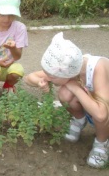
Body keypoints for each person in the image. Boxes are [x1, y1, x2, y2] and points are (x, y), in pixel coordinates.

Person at [24, 32, 109, 168]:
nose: (48, 77)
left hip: (104, 110)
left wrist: (76, 89)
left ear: (68, 73)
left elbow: (102, 113)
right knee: (64, 93)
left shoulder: (98, 68)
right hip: (94, 105)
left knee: (97, 112)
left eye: (52, 76)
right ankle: (80, 120)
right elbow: (29, 77)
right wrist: (40, 81)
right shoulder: (68, 66)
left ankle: (102, 142)